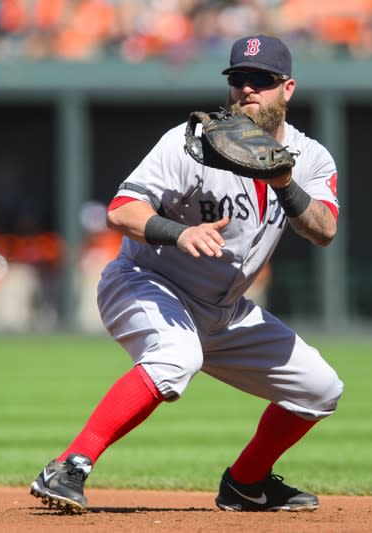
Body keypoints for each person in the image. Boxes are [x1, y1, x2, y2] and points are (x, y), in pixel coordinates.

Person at [30, 34, 343, 513]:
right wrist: (177, 232)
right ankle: (70, 464)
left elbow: (323, 231)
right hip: (148, 284)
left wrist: (285, 183)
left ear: (288, 89)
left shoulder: (312, 157)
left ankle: (245, 483)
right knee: (176, 357)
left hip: (225, 311)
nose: (247, 90)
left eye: (262, 80)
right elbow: (120, 211)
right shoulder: (189, 141)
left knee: (320, 389)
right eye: (238, 79)